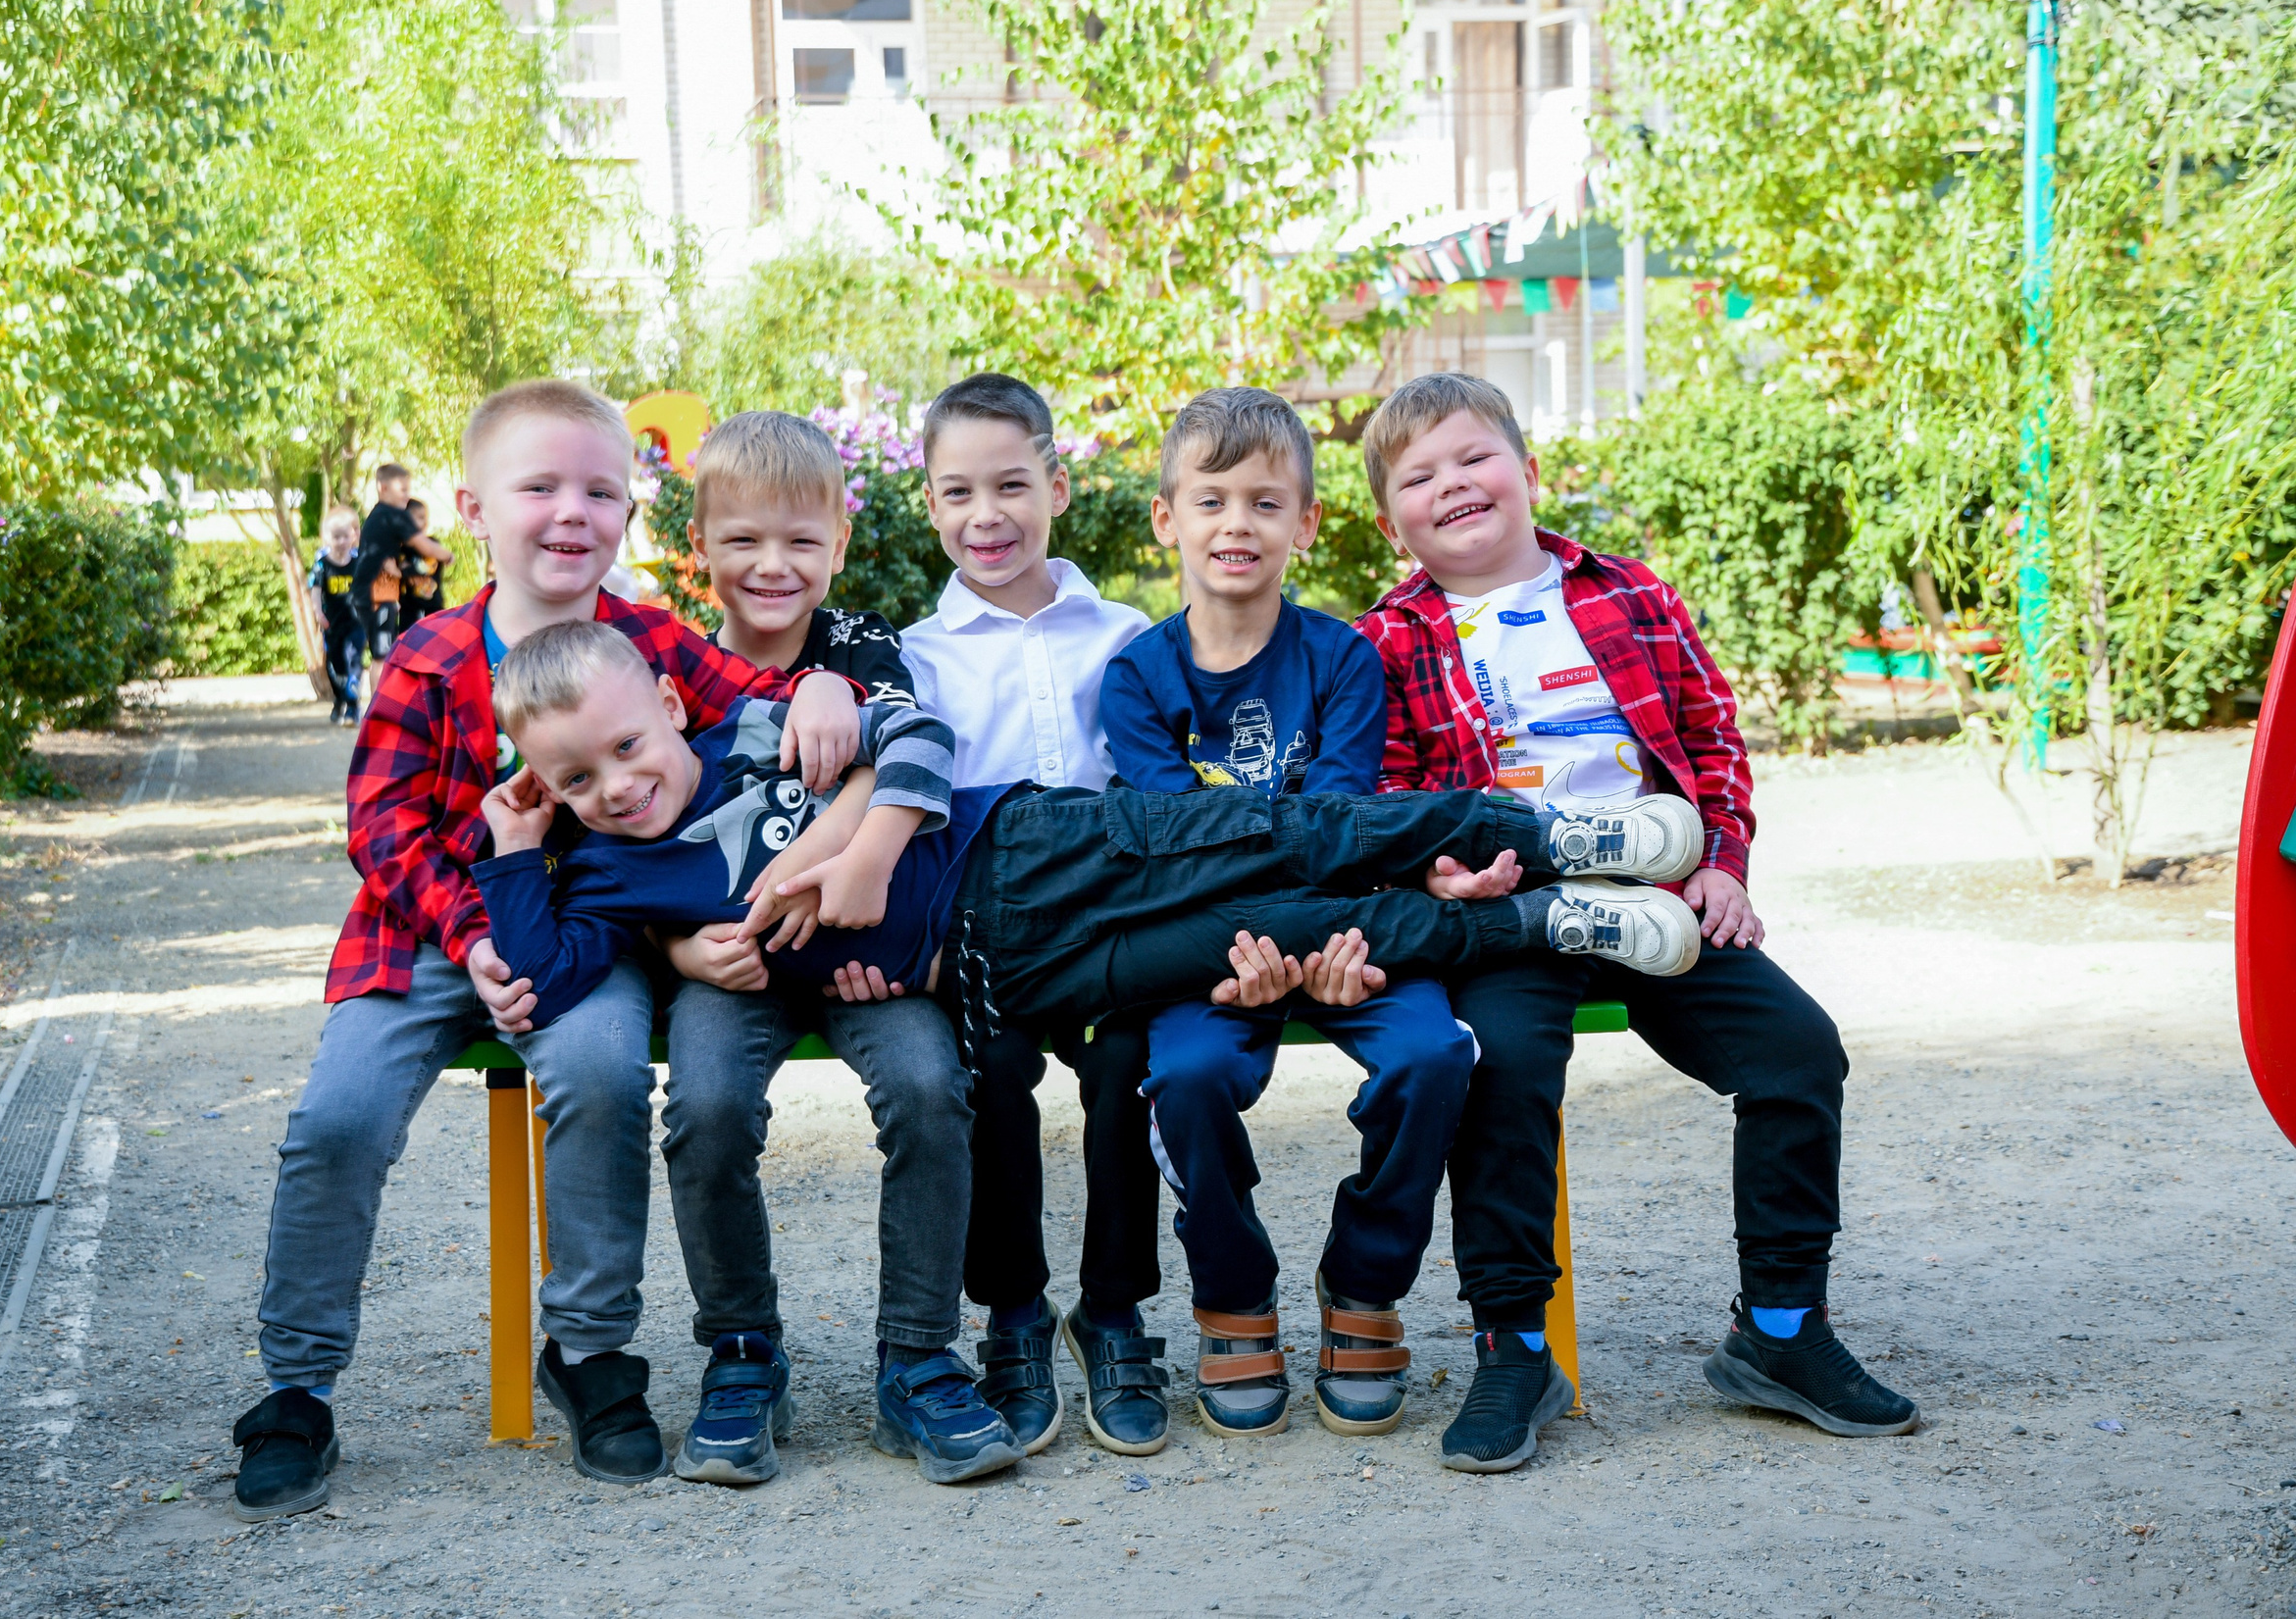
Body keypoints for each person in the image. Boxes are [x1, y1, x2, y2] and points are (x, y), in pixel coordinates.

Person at [463, 626, 1707, 1480]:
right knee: (1260, 924)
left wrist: (857, 858)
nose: (614, 786)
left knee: (1277, 829)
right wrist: (514, 848)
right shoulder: (609, 872)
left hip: (1027, 852)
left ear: (668, 709)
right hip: (1008, 971)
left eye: (625, 748)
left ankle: (1538, 830)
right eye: (571, 778)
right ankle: (1540, 917)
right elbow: (554, 975)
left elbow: (923, 740)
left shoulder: (764, 732)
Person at [229, 380, 865, 1523]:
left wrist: (822, 677)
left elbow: (759, 693)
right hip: (427, 931)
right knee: (339, 1116)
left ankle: (590, 1353)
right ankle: (296, 1386)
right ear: (474, 507)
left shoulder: (647, 640)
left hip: (583, 935)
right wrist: (471, 937)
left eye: (600, 491)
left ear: (627, 512)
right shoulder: (424, 661)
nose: (571, 513)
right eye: (540, 488)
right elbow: (380, 827)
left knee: (605, 1073)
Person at [1352, 371, 1921, 1475]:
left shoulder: (1627, 595)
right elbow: (1391, 793)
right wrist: (1446, 875)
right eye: (1420, 477)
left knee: (1797, 1053)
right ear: (1392, 523)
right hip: (1516, 910)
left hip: (1658, 897)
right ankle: (1512, 1345)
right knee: (1502, 1072)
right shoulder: (1390, 640)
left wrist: (1718, 864)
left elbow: (1712, 741)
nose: (1452, 485)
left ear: (1525, 468)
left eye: (1473, 457)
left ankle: (1781, 1331)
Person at [1100, 387, 1691, 1442]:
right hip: (1214, 947)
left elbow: (1345, 826)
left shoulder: (1343, 659)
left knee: (1432, 1058)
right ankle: (1232, 1297)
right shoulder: (1137, 677)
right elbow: (1172, 846)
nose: (1237, 526)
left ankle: (1362, 1286)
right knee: (1184, 1076)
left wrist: (1326, 945)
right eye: (1211, 502)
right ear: (1166, 520)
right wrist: (1260, 946)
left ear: (1307, 523)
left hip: (1349, 933)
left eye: (1265, 503)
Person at [649, 411, 1018, 1487]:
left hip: (866, 950)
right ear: (702, 546)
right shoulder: (666, 668)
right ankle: (741, 1352)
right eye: (746, 542)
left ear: (840, 547)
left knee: (927, 1086)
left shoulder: (862, 648)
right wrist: (679, 951)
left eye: (802, 544)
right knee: (706, 1107)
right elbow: (623, 827)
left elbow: (916, 752)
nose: (775, 567)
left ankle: (917, 1357)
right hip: (736, 959)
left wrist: (849, 853)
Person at [894, 374, 1163, 1458]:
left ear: (1056, 484)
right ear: (930, 505)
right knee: (987, 1075)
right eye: (957, 493)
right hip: (987, 935)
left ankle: (1113, 1309)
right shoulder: (916, 654)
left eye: (1011, 485)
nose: (986, 515)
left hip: (1110, 925)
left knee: (1129, 1066)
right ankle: (1011, 1314)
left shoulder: (1129, 632)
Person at [352, 464, 453, 664]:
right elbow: (426, 547)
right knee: (383, 657)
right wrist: (448, 555)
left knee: (386, 653)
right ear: (384, 488)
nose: (407, 495)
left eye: (409, 489)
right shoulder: (394, 515)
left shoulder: (378, 515)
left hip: (376, 592)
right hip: (377, 593)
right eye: (403, 490)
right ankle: (381, 696)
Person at [311, 510, 363, 724]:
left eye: (345, 536)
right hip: (332, 623)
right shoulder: (322, 564)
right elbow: (315, 589)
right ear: (327, 538)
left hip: (356, 623)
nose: (341, 541)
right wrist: (317, 612)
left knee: (353, 660)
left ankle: (353, 707)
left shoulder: (359, 560)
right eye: (336, 536)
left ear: (353, 536)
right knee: (336, 666)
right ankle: (339, 699)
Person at [398, 497, 455, 633]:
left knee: (434, 641)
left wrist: (405, 569)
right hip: (408, 608)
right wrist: (403, 569)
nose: (425, 522)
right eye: (420, 517)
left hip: (432, 606)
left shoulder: (431, 544)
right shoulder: (400, 548)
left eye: (426, 517)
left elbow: (426, 567)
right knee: (408, 642)